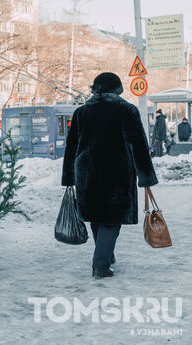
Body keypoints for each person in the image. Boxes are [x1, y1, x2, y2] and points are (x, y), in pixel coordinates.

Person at [62, 73, 158, 279]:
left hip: (87, 174)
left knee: (96, 216)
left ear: (95, 89)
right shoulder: (127, 110)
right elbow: (138, 146)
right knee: (111, 220)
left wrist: (69, 177)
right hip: (117, 174)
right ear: (117, 89)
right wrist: (146, 176)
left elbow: (71, 148)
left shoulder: (82, 112)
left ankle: (105, 252)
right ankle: (101, 265)